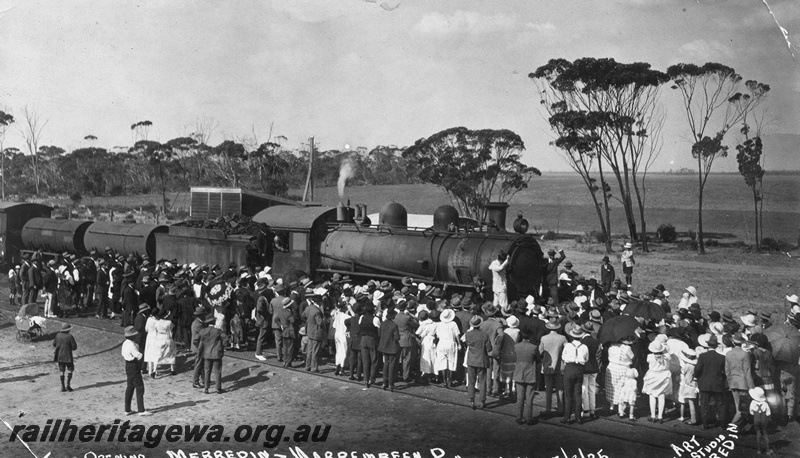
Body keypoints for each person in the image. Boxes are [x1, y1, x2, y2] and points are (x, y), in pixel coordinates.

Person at [694, 334, 727, 430]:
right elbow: (724, 371)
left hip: (704, 383)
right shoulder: (721, 357)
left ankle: (705, 423)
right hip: (718, 383)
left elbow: (698, 369)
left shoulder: (702, 356)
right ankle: (722, 423)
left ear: (708, 345)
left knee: (704, 404)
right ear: (716, 346)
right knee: (720, 404)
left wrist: (697, 377)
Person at [561, 324, 588, 424]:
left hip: (569, 368)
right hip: (579, 369)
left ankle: (567, 417)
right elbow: (586, 359)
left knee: (568, 394)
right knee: (578, 393)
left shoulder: (568, 345)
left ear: (572, 335)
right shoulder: (584, 347)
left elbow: (563, 357)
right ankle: (578, 417)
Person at [726, 332, 755, 426]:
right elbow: (747, 371)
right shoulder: (745, 354)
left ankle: (738, 427)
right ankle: (732, 426)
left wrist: (729, 381)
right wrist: (751, 386)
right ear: (741, 343)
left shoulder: (728, 354)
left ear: (734, 342)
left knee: (738, 406)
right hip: (743, 383)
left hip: (733, 382)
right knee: (742, 409)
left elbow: (727, 370)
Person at [463, 315, 491, 410]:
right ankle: (482, 401)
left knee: (471, 381)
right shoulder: (484, 335)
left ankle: (471, 400)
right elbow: (489, 348)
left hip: (471, 360)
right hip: (482, 360)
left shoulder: (468, 334)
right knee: (482, 382)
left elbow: (467, 343)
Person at [540, 317, 566, 418]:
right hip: (559, 366)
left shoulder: (544, 338)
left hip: (548, 366)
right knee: (560, 388)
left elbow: (541, 351)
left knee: (549, 389)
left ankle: (548, 409)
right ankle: (560, 408)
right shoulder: (562, 338)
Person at [122, 326, 151, 416]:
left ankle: (127, 409)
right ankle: (141, 410)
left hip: (128, 365)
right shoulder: (132, 345)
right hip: (134, 365)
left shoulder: (125, 343)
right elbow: (138, 356)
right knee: (140, 387)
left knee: (130, 387)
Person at [643, 340, 673, 423]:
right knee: (661, 396)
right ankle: (660, 416)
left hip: (653, 376)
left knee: (652, 395)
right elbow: (667, 355)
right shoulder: (667, 356)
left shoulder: (650, 357)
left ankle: (653, 416)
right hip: (664, 376)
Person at [513, 329, 538, 425]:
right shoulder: (533, 347)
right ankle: (529, 417)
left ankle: (519, 417)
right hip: (530, 373)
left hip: (519, 372)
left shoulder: (516, 346)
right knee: (529, 397)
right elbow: (538, 359)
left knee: (519, 397)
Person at [195, 315, 226, 394]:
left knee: (207, 371)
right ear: (214, 322)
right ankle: (218, 388)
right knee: (217, 371)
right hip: (216, 354)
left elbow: (195, 340)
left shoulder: (203, 331)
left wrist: (201, 347)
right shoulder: (218, 331)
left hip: (206, 354)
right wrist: (222, 346)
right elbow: (226, 338)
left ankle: (206, 388)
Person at [606, 338, 636, 414]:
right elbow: (632, 357)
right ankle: (620, 410)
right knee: (622, 389)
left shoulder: (611, 346)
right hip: (623, 368)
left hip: (612, 367)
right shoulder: (627, 348)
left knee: (611, 387)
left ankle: (611, 407)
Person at [144, 309, 177, 378]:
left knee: (157, 354)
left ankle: (154, 370)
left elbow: (154, 330)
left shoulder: (157, 322)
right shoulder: (169, 322)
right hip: (167, 338)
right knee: (171, 353)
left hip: (159, 339)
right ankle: (172, 369)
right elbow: (171, 331)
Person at [434, 308, 461, 388]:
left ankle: (444, 381)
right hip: (450, 343)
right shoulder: (453, 324)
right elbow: (457, 335)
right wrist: (459, 344)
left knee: (442, 362)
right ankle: (450, 380)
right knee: (451, 362)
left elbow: (437, 335)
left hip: (441, 343)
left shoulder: (439, 324)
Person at [580, 321, 601, 420]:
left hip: (585, 367)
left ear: (583, 331)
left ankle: (586, 410)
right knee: (592, 388)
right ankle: (593, 409)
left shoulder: (581, 342)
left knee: (584, 388)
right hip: (594, 367)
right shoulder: (596, 341)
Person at [303, 288, 326, 373]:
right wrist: (325, 319)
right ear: (319, 302)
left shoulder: (309, 308)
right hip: (316, 333)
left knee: (309, 350)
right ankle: (314, 368)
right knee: (315, 351)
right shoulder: (317, 311)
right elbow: (320, 322)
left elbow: (303, 315)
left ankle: (307, 366)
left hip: (309, 331)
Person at [394, 301, 419, 383]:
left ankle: (396, 375)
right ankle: (405, 376)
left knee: (397, 358)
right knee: (406, 358)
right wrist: (410, 315)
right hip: (406, 338)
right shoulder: (407, 317)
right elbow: (415, 324)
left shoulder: (396, 316)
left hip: (397, 339)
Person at [378, 308, 401, 391]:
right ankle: (391, 383)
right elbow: (397, 337)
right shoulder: (394, 325)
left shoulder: (383, 324)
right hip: (392, 347)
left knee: (386, 364)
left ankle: (384, 382)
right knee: (392, 365)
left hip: (384, 347)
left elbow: (379, 334)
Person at [53, 323, 77, 392]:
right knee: (70, 369)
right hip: (68, 356)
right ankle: (68, 385)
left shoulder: (58, 335)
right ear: (68, 330)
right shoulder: (70, 336)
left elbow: (54, 344)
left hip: (60, 355)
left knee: (61, 370)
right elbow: (74, 347)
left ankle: (62, 386)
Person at [749, 387, 774, 455]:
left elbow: (751, 412)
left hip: (756, 418)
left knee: (758, 433)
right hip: (764, 419)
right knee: (765, 433)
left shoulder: (752, 403)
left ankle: (759, 450)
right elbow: (768, 413)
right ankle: (768, 450)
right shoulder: (765, 404)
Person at [678, 348, 699, 425]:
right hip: (695, 384)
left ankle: (693, 419)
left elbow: (683, 374)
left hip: (688, 385)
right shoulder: (695, 365)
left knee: (690, 403)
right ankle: (696, 417)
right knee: (694, 402)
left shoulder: (687, 366)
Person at [331, 301, 351, 376]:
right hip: (342, 334)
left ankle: (337, 367)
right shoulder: (345, 316)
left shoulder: (337, 315)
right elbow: (353, 317)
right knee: (343, 352)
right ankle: (342, 369)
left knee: (338, 351)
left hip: (337, 333)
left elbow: (334, 325)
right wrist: (350, 310)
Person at [417, 310, 437, 384]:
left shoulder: (423, 324)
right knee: (433, 357)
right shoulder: (434, 323)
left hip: (426, 341)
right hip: (433, 342)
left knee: (425, 357)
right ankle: (434, 373)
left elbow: (418, 333)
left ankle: (425, 373)